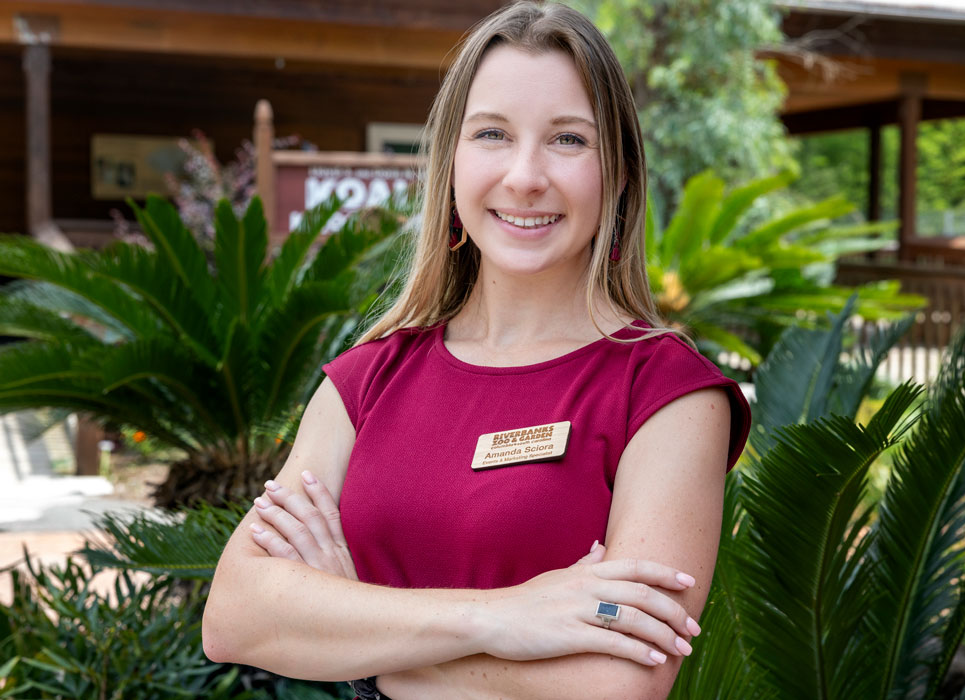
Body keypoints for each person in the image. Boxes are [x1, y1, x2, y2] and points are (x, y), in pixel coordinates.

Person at [202, 2, 750, 698]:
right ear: (451, 163)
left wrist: (361, 634)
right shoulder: (366, 380)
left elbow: (615, 682)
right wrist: (503, 619)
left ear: (618, 171)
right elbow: (236, 616)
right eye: (492, 133)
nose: (525, 176)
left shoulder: (667, 393)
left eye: (568, 140)